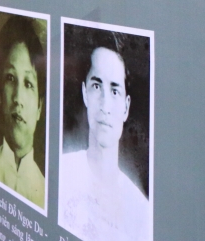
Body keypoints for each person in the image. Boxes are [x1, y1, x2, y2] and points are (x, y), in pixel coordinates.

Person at [59, 31, 150, 241]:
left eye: (115, 91)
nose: (105, 106)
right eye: (96, 86)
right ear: (84, 93)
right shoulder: (62, 172)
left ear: (126, 107)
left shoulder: (140, 212)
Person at [0, 15, 46, 209]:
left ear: (39, 107)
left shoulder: (45, 193)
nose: (18, 98)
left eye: (28, 84)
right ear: (0, 95)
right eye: (10, 78)